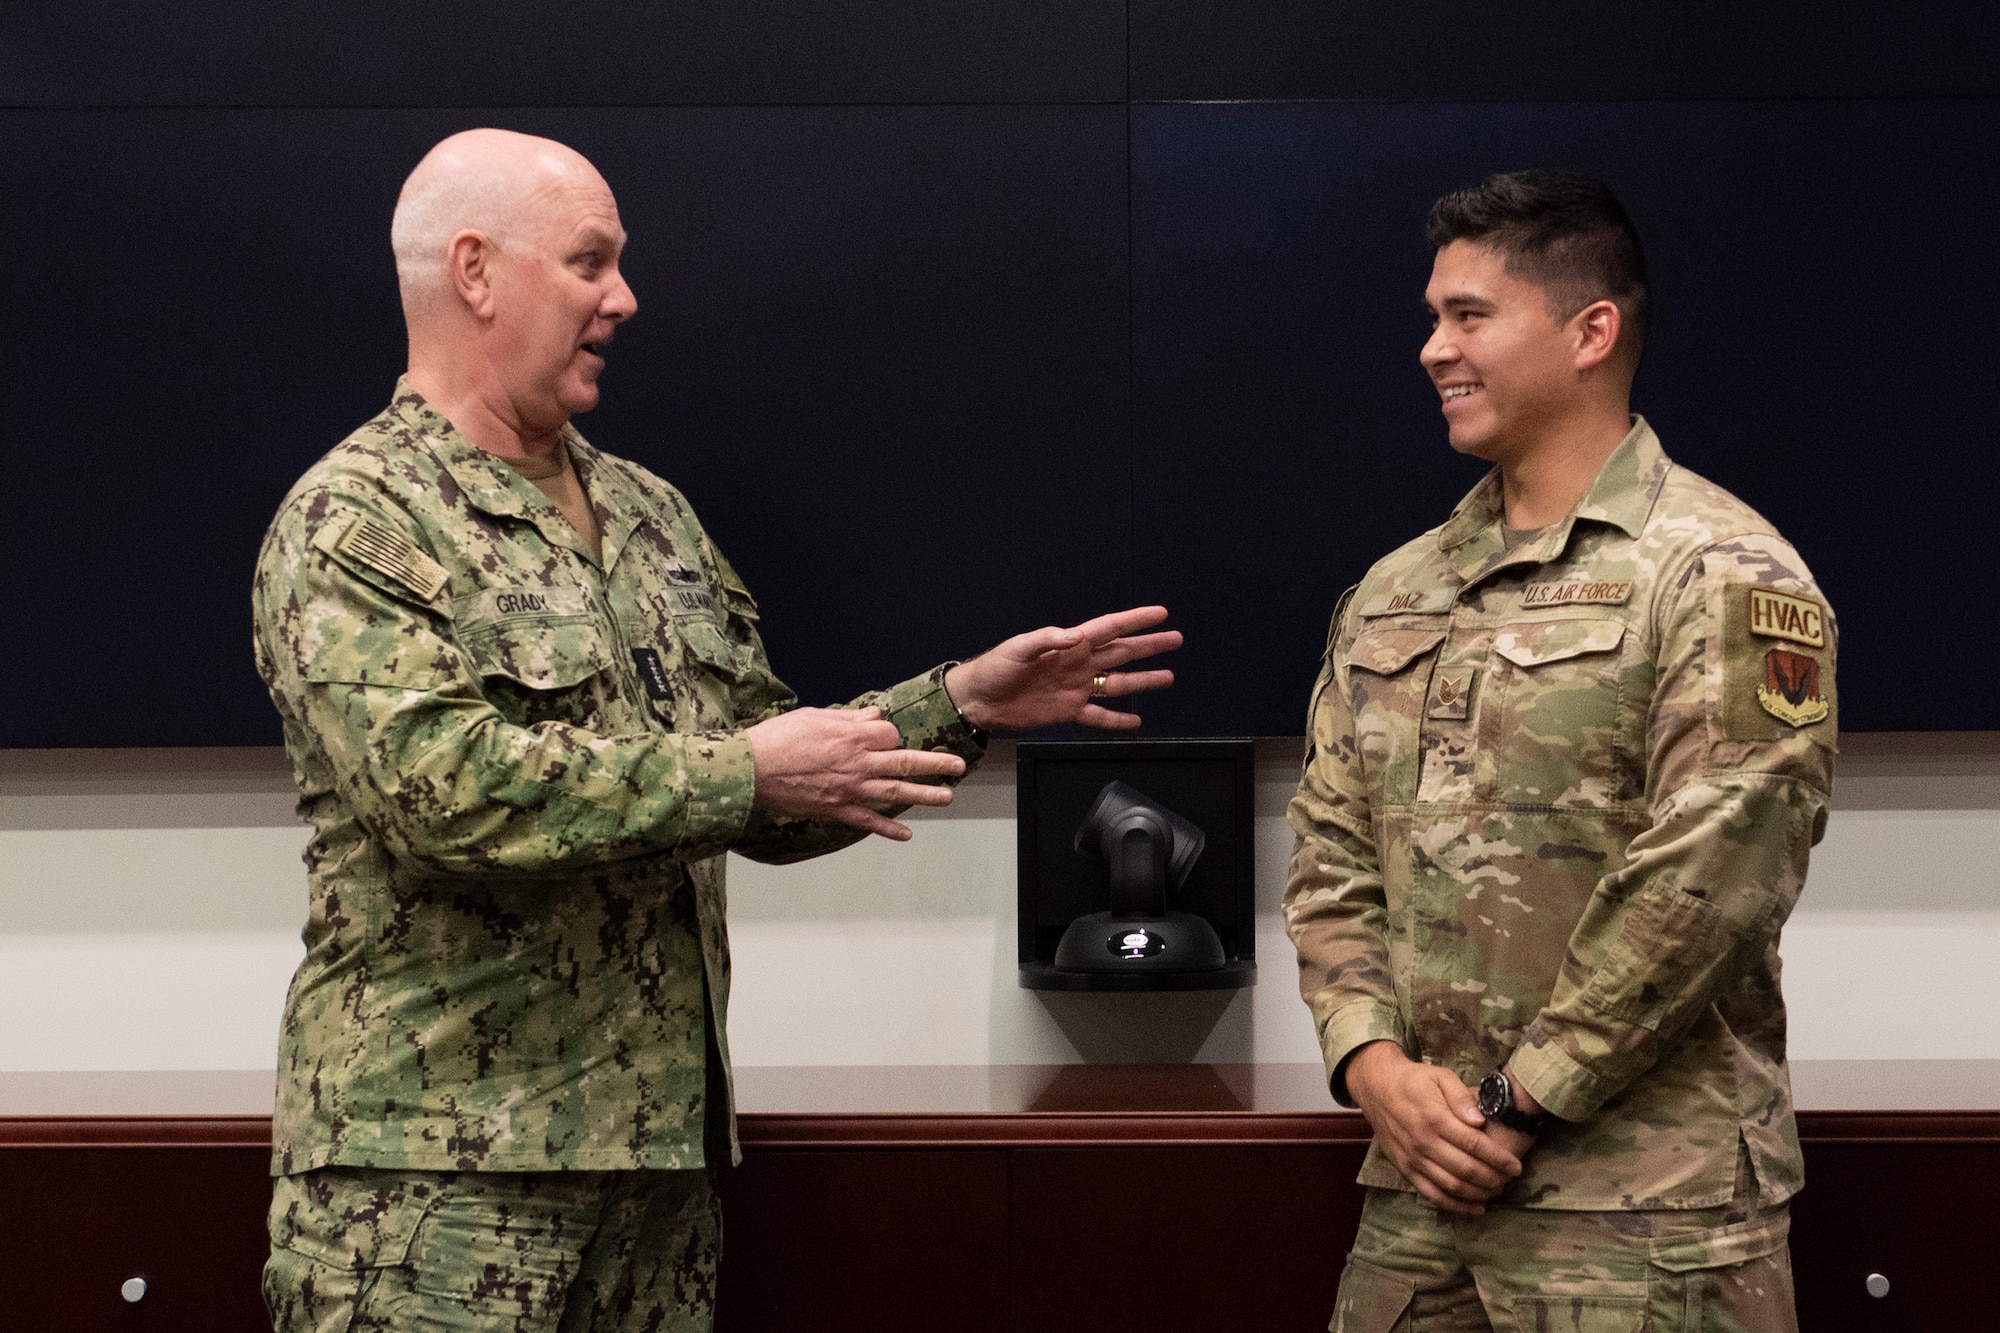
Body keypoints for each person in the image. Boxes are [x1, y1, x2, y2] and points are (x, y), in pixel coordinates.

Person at [252, 127, 1181, 1333]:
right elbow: (444, 795)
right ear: (474, 270)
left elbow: (768, 780)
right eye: (589, 262)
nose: (623, 298)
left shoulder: (648, 513)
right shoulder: (356, 520)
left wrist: (959, 704)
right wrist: (742, 770)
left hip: (654, 1175)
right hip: (436, 1184)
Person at [1285, 169, 1834, 1331]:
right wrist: (1372, 1068)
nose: (1432, 348)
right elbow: (1328, 858)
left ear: (1590, 331)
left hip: (1646, 1222)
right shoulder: (1395, 590)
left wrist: (1519, 1099)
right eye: (1432, 316)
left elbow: (1710, 879)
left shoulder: (1719, 570)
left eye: (1468, 315)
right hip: (1421, 1203)